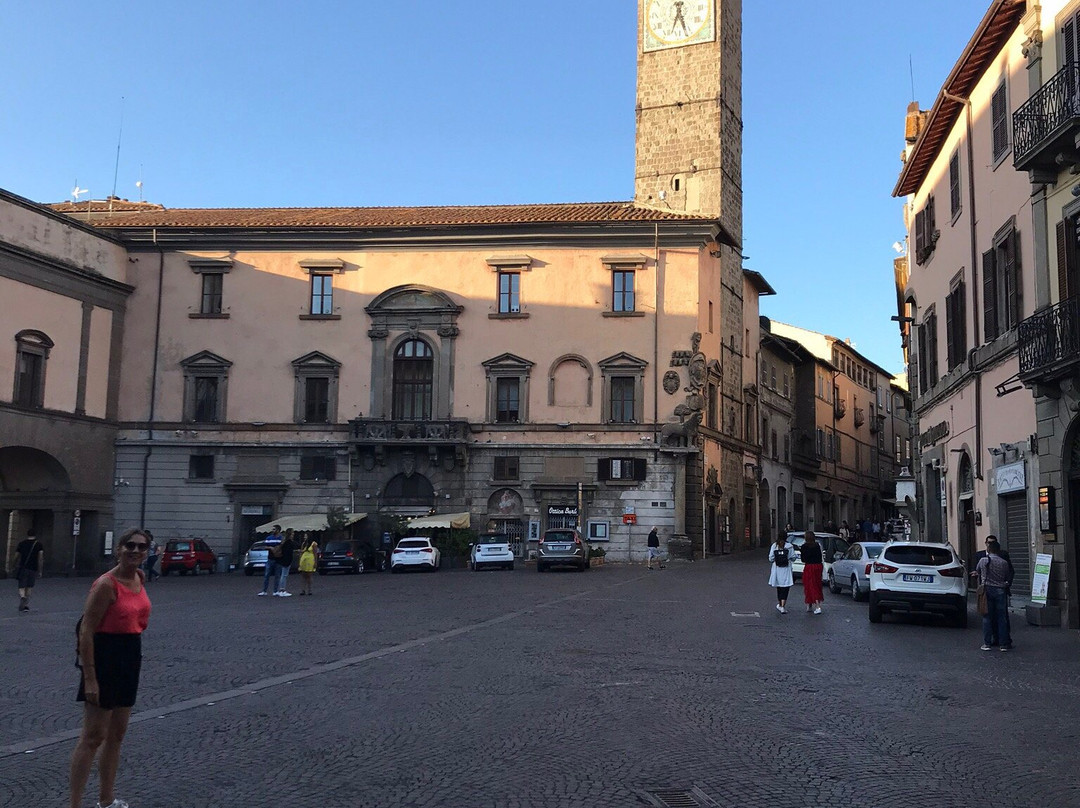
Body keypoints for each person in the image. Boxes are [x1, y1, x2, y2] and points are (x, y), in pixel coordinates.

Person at [69, 527, 152, 808]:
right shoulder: (106, 584)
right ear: (118, 549)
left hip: (130, 654)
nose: (135, 551)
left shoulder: (140, 578)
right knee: (93, 736)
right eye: (130, 545)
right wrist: (90, 678)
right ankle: (75, 804)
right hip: (104, 656)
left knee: (117, 735)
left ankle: (106, 799)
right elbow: (87, 632)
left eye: (142, 547)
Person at [971, 535, 1014, 647]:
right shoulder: (1003, 562)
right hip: (1000, 590)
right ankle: (1004, 644)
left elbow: (978, 570)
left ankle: (987, 643)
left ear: (989, 549)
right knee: (1002, 617)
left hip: (987, 589)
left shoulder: (983, 560)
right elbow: (1006, 574)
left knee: (987, 616)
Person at [12, 527, 44, 612]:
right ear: (35, 535)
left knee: (21, 585)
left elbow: (16, 556)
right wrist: (40, 570)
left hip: (23, 567)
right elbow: (40, 558)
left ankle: (22, 597)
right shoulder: (38, 545)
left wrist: (13, 564)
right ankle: (25, 605)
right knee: (29, 586)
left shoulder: (21, 544)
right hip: (33, 568)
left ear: (27, 534)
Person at [768, 532, 795, 614]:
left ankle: (780, 604)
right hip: (786, 569)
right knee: (785, 587)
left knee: (779, 587)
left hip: (777, 569)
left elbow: (771, 558)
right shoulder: (789, 546)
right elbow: (793, 557)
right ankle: (783, 605)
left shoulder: (774, 546)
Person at [800, 531, 825, 614]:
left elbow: (803, 559)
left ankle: (816, 606)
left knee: (810, 585)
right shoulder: (817, 545)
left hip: (809, 567)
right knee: (816, 584)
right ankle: (810, 604)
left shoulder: (804, 546)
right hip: (818, 566)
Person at [258, 525, 282, 596]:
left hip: (278, 559)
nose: (272, 530)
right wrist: (270, 548)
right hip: (270, 558)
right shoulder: (269, 538)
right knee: (267, 575)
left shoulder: (281, 538)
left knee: (277, 575)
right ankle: (264, 590)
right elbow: (265, 546)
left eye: (274, 529)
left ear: (278, 530)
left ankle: (275, 591)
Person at [275, 529, 296, 596]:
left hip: (283, 559)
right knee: (284, 575)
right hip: (286, 560)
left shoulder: (284, 541)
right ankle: (282, 590)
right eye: (292, 534)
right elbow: (288, 552)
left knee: (283, 575)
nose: (293, 535)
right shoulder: (289, 542)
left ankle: (281, 589)